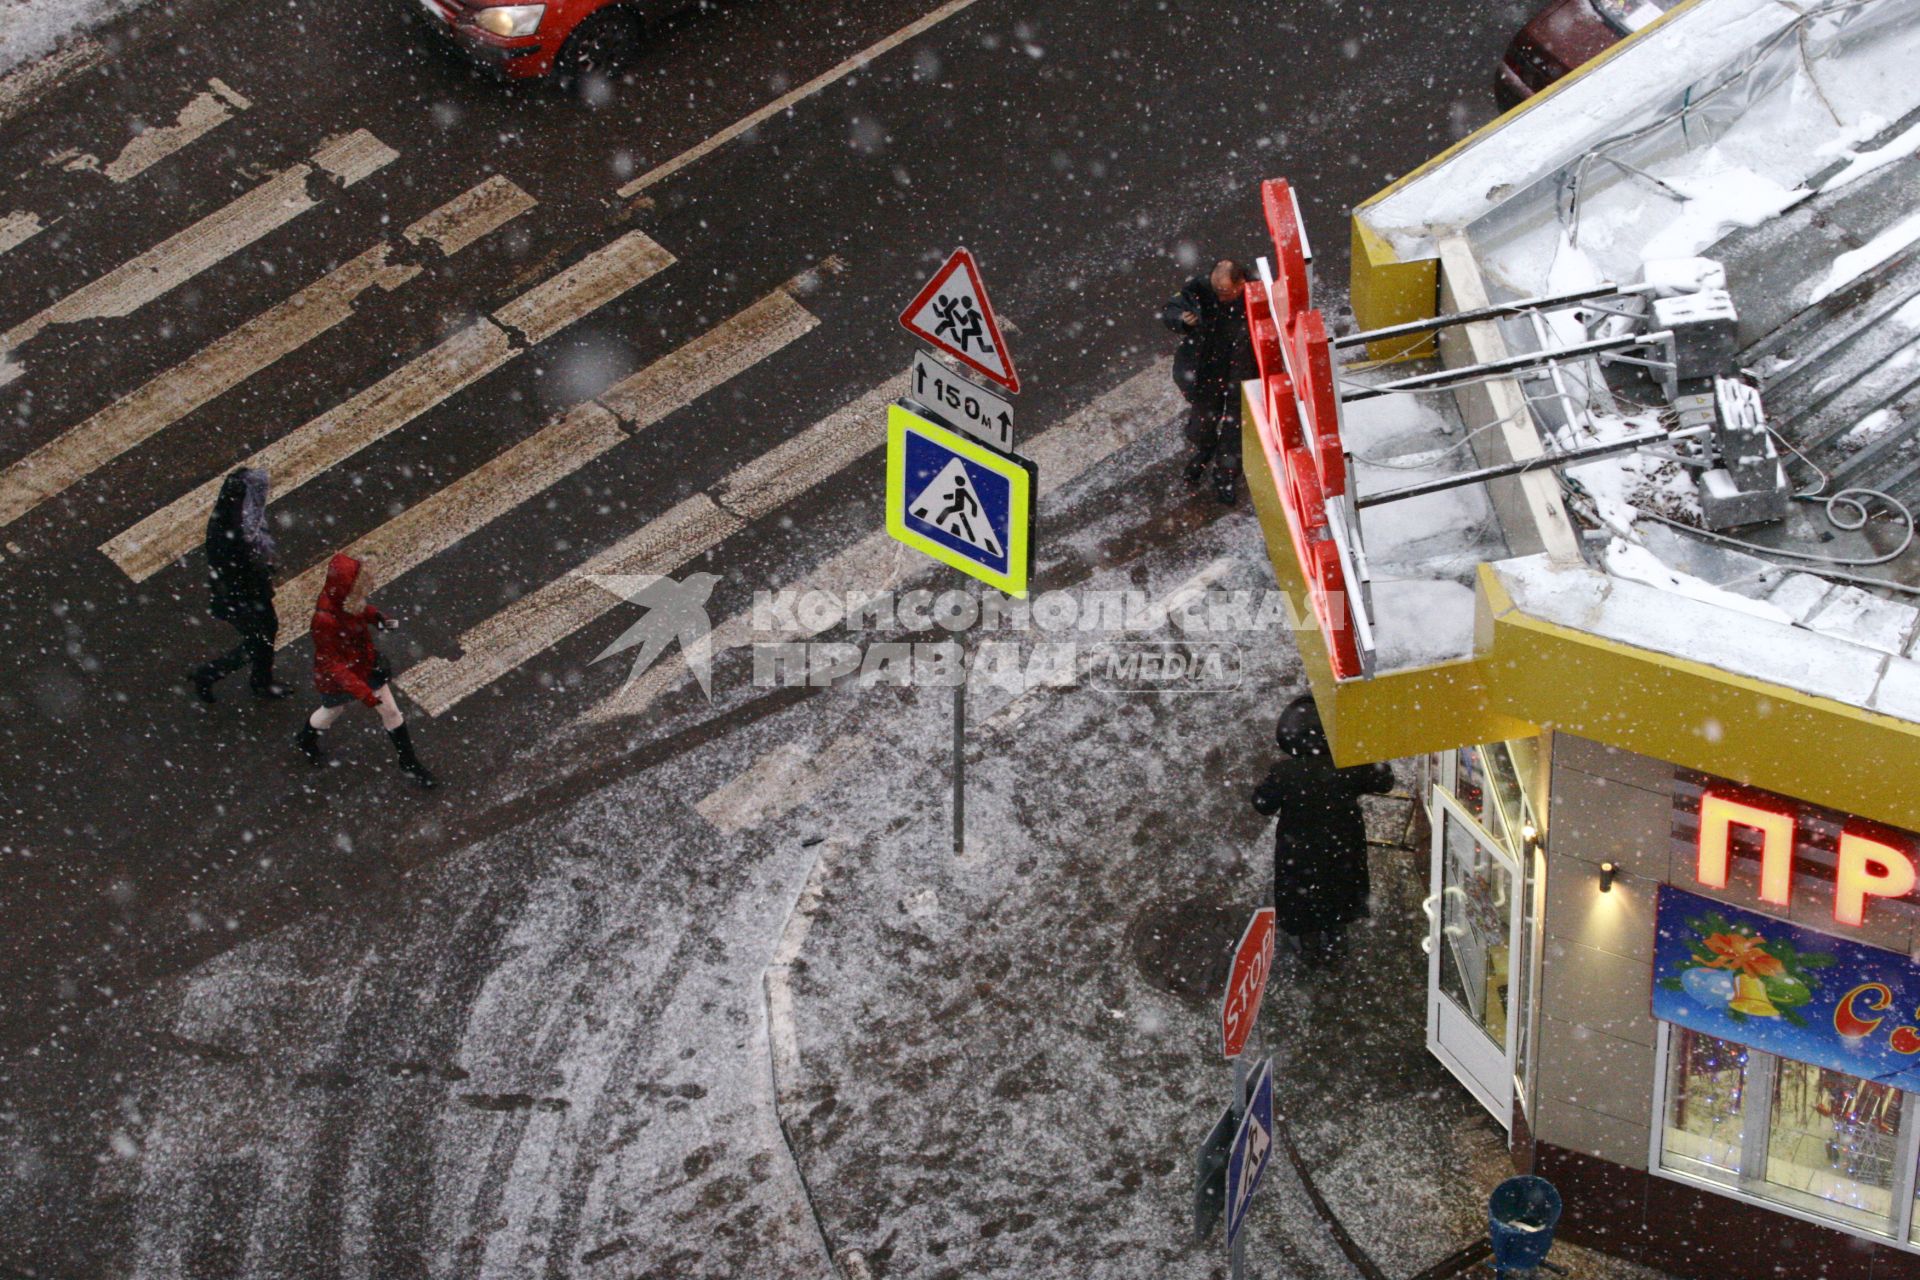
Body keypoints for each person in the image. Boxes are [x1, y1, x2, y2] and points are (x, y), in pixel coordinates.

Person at [1252, 693, 1393, 970]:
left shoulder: (1285, 772)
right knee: (1339, 889)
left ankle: (1309, 946)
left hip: (1299, 848)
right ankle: (1337, 942)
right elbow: (1384, 781)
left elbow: (1263, 804)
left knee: (1303, 895)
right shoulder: (1349, 766)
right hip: (1342, 844)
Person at [296, 553, 436, 789]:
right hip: (342, 679)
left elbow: (361, 609)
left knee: (390, 711)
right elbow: (333, 665)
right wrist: (364, 694)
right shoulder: (325, 621)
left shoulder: (344, 599)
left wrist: (378, 618)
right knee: (332, 711)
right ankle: (305, 738)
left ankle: (408, 762)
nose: (369, 587)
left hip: (365, 665)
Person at [1160, 259, 1257, 506]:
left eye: (1225, 291)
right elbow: (1172, 308)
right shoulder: (1201, 289)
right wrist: (1181, 319)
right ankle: (1205, 450)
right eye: (1217, 290)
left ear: (1242, 283)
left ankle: (1224, 476)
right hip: (1207, 373)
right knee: (1201, 424)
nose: (1220, 296)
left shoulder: (1258, 296)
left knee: (1234, 432)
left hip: (1242, 374)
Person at [189, 467, 288, 702]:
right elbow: (237, 565)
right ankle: (211, 675)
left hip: (249, 592)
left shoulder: (235, 521)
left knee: (264, 635)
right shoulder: (228, 532)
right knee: (259, 640)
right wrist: (260, 566)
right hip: (241, 596)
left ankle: (260, 681)